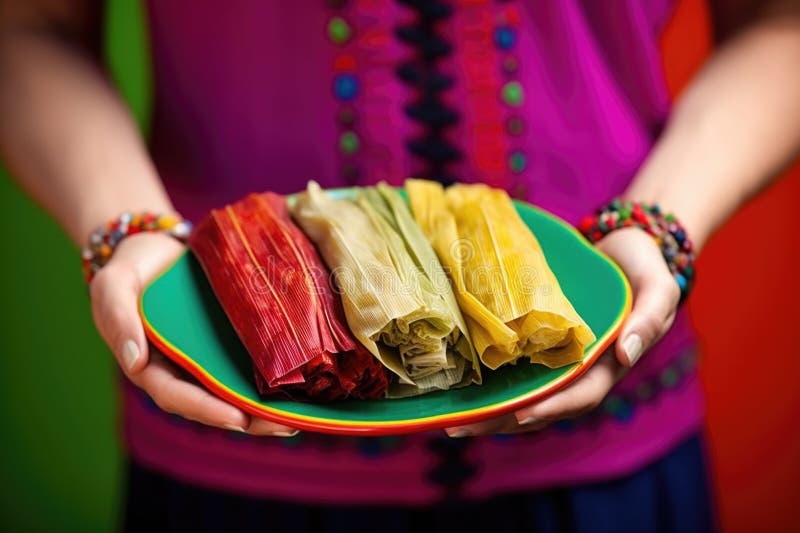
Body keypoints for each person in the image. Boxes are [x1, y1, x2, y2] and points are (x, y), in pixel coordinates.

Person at [1, 0, 799, 531]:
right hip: (229, 424)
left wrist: (660, 221)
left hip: (614, 449)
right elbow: (28, 25)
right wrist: (126, 224)